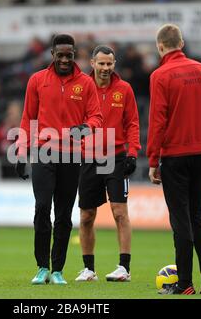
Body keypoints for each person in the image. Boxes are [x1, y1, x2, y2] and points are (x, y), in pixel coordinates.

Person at [16, 34, 102, 285]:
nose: (65, 59)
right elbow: (27, 118)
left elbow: (97, 118)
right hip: (43, 152)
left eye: (69, 55)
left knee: (64, 214)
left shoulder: (86, 83)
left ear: (74, 55)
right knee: (42, 207)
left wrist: (84, 129)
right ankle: (42, 267)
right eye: (60, 55)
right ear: (52, 54)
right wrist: (22, 152)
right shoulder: (37, 81)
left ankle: (58, 270)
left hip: (72, 154)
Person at [147, 24, 201, 295]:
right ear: (182, 43)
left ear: (160, 46)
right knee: (198, 215)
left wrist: (153, 159)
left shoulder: (160, 75)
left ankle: (184, 283)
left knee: (180, 219)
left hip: (175, 155)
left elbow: (158, 120)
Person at [75, 45, 141, 282]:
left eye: (109, 63)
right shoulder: (81, 89)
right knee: (86, 216)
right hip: (88, 158)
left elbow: (132, 123)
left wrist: (133, 153)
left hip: (116, 157)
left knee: (119, 212)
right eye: (101, 63)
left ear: (115, 64)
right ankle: (89, 269)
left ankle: (124, 267)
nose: (105, 68)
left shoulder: (124, 90)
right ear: (92, 63)